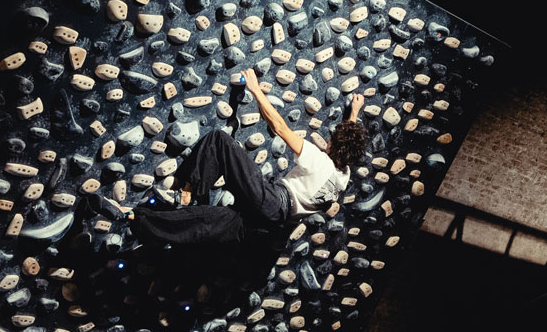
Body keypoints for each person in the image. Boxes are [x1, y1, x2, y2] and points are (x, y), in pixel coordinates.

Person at [125, 69, 369, 248]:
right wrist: (354, 112)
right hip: (270, 227)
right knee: (207, 221)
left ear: (333, 144)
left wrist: (255, 88)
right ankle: (139, 222)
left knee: (220, 140)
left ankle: (187, 193)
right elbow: (347, 141)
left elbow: (281, 127)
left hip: (272, 201)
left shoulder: (318, 159)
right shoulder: (342, 177)